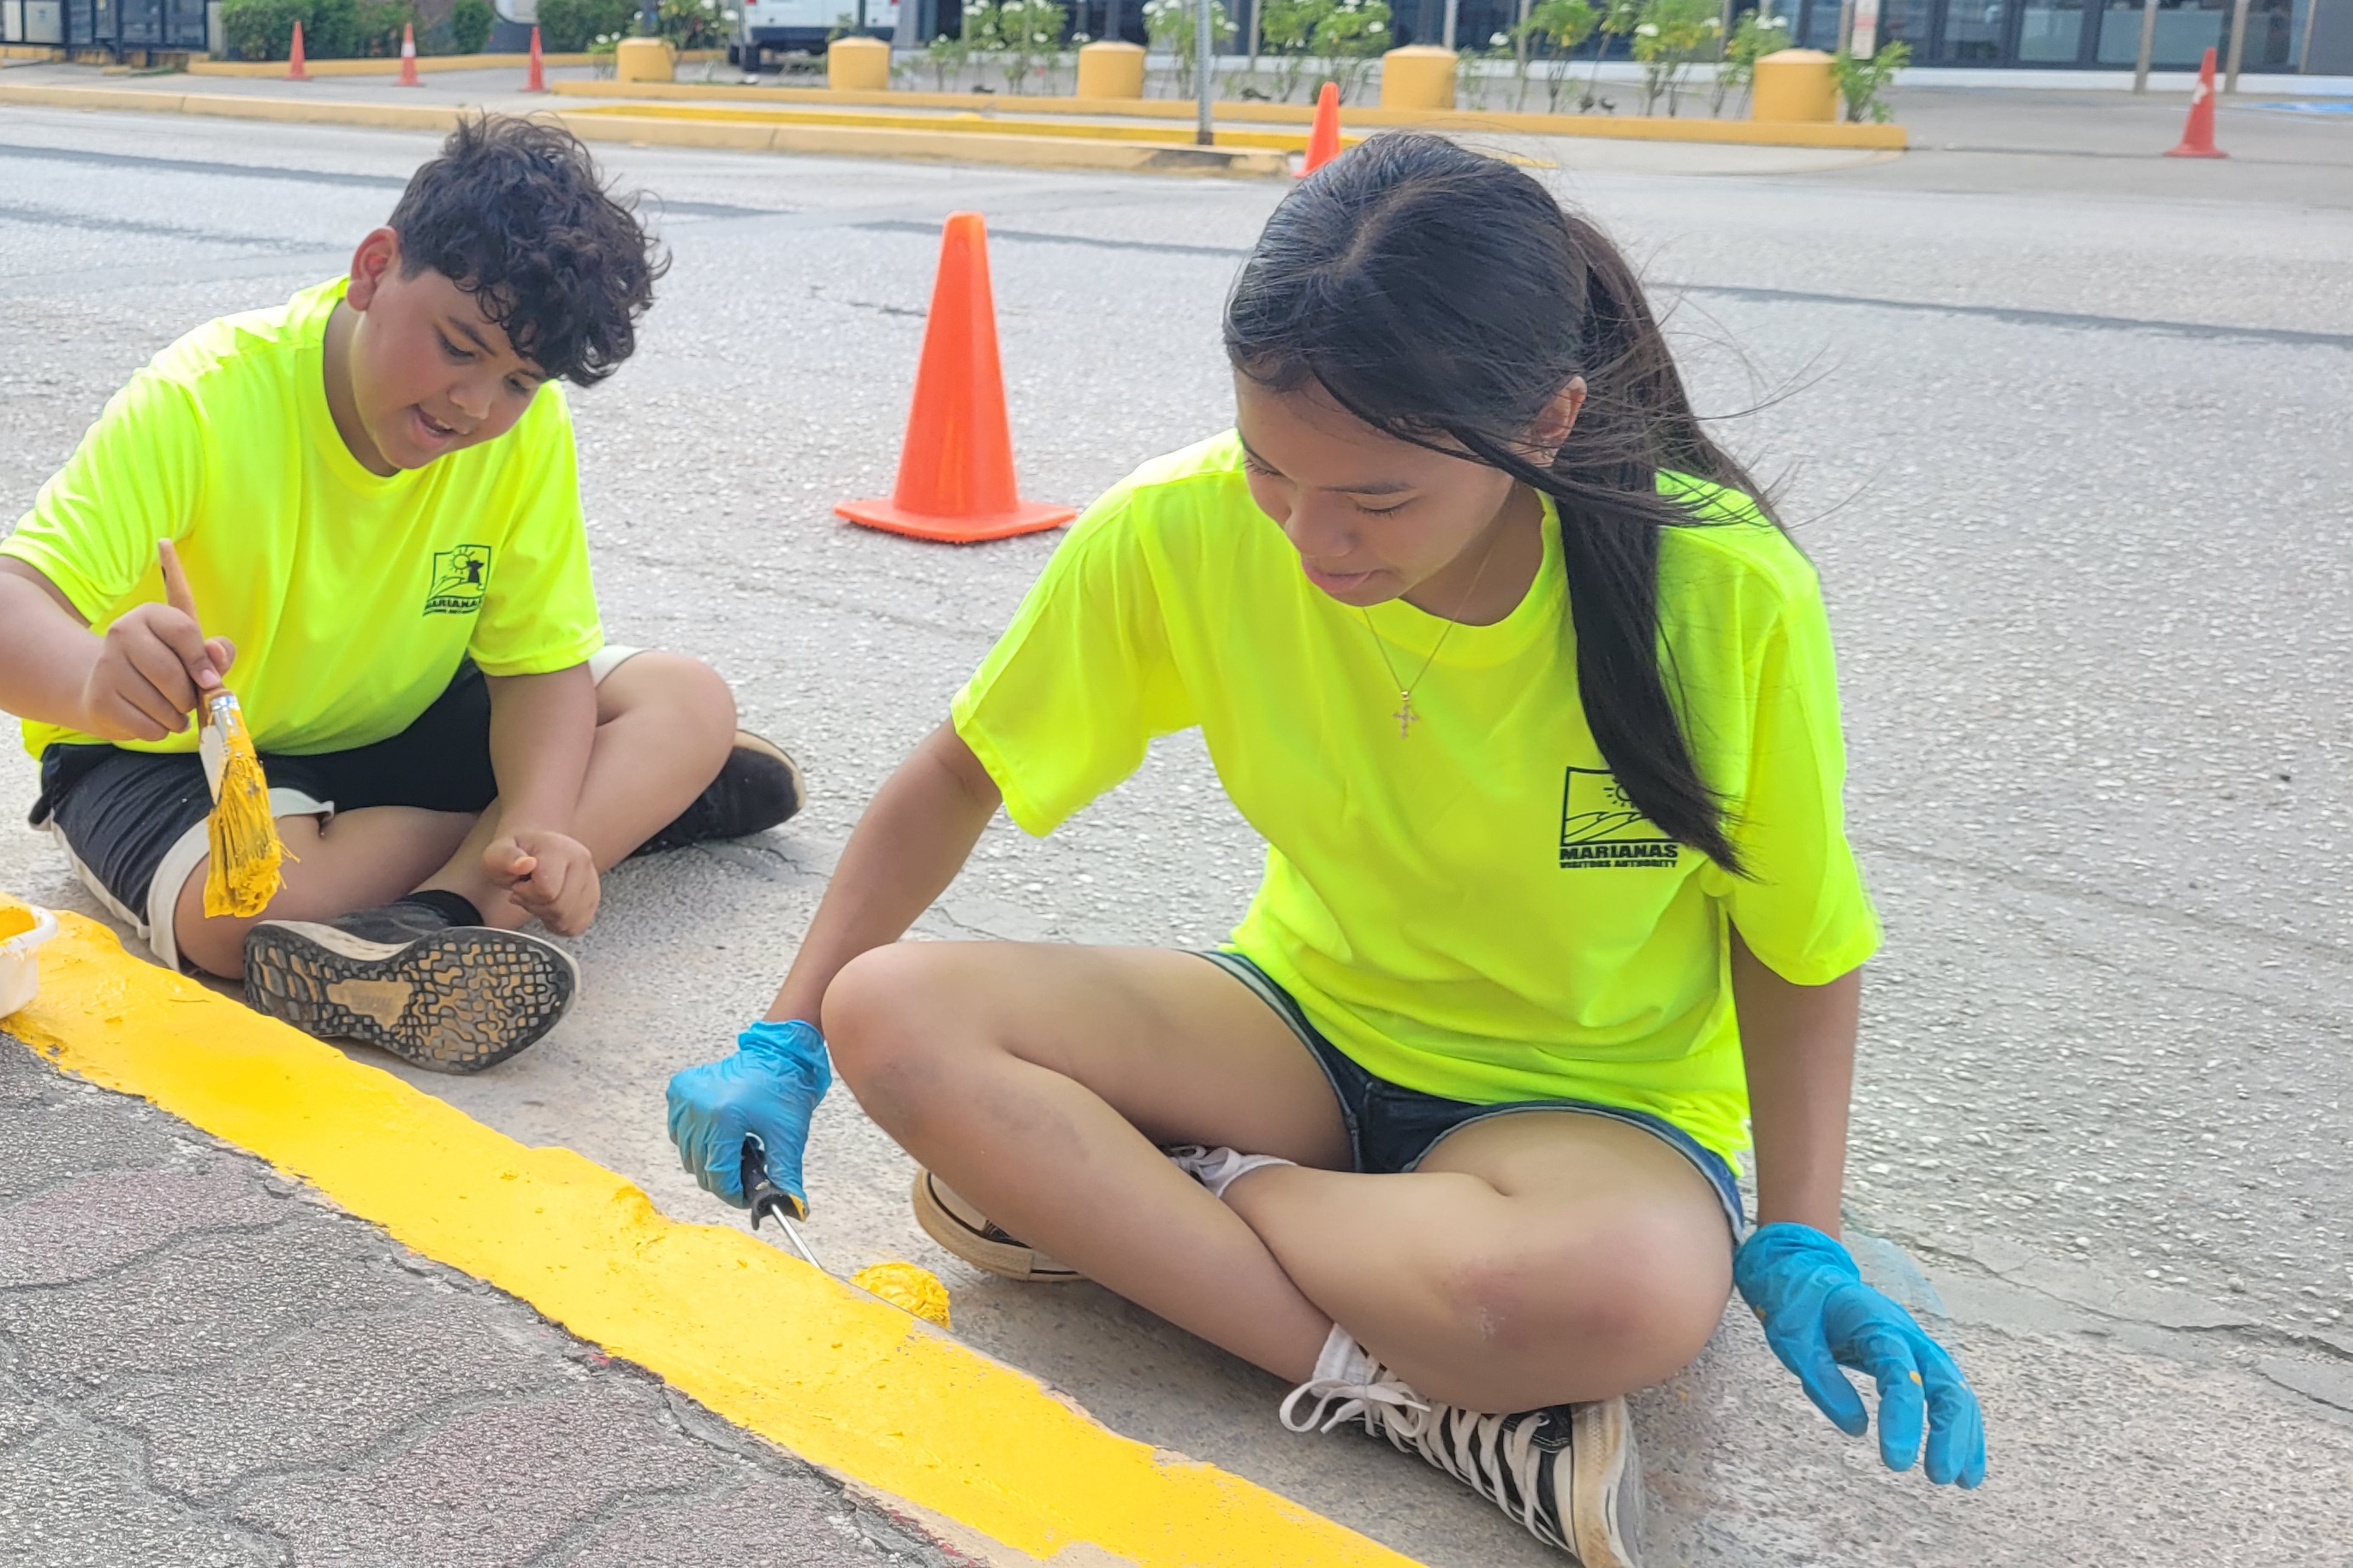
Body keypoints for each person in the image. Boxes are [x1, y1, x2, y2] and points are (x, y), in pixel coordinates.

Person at [663, 134, 1982, 1566]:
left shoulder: (1716, 591)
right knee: (890, 1017)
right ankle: (1415, 1400)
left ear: (1544, 422)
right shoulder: (1178, 528)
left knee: (1636, 1298)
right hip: (1297, 1028)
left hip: (1586, 1108)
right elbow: (954, 776)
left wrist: (1795, 1232)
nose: (1310, 540)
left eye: (1377, 501)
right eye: (1271, 469)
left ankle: (1175, 1194)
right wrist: (785, 1035)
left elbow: (1794, 936)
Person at [0, 116, 802, 1074]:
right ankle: (629, 817)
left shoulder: (522, 432)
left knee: (690, 699)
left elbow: (539, 668)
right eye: (457, 346)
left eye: (519, 380)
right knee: (238, 920)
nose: (475, 406)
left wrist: (538, 825)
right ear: (374, 267)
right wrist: (93, 678)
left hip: (396, 719)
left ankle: (447, 915)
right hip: (181, 748)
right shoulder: (205, 395)